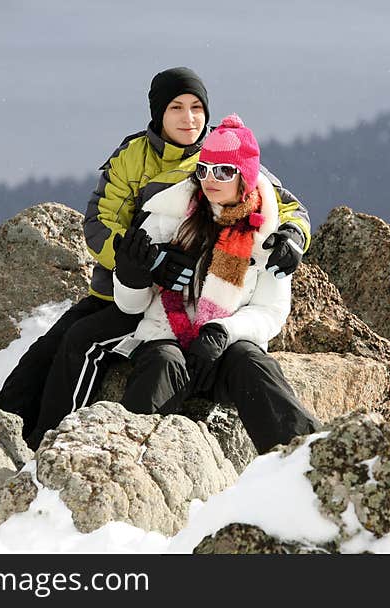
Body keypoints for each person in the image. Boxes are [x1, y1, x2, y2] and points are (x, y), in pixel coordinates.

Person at [0, 67, 312, 450]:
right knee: (50, 348)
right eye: (176, 107)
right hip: (128, 289)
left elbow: (284, 207)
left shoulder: (223, 152)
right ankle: (8, 434)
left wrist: (293, 237)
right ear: (158, 113)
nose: (188, 118)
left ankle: (49, 442)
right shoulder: (135, 157)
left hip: (191, 308)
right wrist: (144, 262)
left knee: (82, 343)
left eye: (196, 107)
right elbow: (99, 223)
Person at [112, 114, 320, 453]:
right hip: (167, 339)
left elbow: (271, 311)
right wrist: (132, 275)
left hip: (224, 349)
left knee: (253, 365)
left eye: (224, 171)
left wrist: (223, 331)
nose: (210, 179)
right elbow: (131, 306)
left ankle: (309, 462)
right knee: (162, 363)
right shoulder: (167, 217)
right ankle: (127, 464)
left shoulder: (268, 234)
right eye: (204, 168)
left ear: (247, 177)